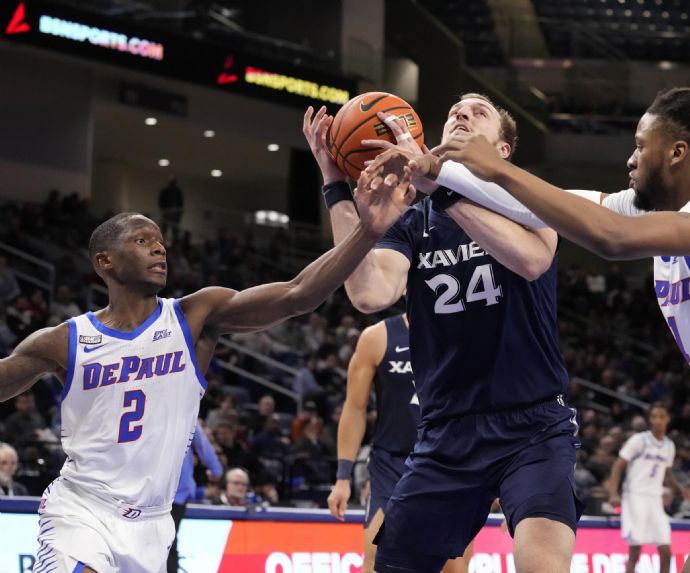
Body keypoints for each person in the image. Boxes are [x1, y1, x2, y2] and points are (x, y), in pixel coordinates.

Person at [424, 64, 690, 573]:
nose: (630, 159)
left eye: (639, 144)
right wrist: (437, 173)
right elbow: (553, 208)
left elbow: (610, 238)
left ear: (677, 152)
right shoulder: (654, 211)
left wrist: (496, 167)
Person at [0, 160, 415, 573]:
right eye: (142, 241)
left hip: (153, 524)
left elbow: (297, 294)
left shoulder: (194, 317)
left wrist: (368, 231)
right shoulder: (64, 341)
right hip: (81, 510)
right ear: (104, 262)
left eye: (160, 241)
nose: (159, 248)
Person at [304, 94, 581, 573]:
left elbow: (532, 261)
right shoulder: (414, 219)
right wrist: (335, 184)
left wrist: (442, 189)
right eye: (454, 108)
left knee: (542, 563)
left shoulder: (528, 198)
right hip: (446, 430)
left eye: (480, 111)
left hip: (532, 423)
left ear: (502, 150)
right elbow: (370, 293)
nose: (461, 111)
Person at [326, 314, 472, 573]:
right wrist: (342, 478)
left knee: (454, 567)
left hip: (449, 465)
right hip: (391, 463)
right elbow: (355, 408)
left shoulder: (466, 333)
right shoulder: (377, 337)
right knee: (376, 560)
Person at [606, 404, 679, 573]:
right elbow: (618, 466)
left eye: (661, 416)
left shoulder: (669, 446)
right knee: (635, 551)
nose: (657, 420)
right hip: (635, 496)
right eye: (653, 416)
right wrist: (613, 493)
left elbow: (666, 474)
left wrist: (680, 489)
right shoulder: (639, 440)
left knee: (666, 552)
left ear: (668, 419)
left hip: (655, 499)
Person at [168, 422, 223, 573]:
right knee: (167, 543)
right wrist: (216, 470)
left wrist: (216, 469)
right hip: (169, 492)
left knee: (166, 543)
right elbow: (203, 446)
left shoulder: (185, 415)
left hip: (170, 492)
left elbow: (202, 445)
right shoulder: (185, 411)